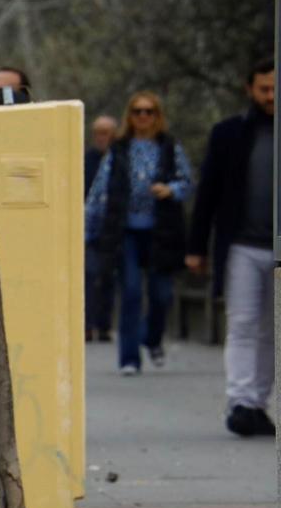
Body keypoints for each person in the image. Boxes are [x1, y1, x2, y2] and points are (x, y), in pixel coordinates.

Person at [187, 58, 276, 437]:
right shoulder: (229, 134)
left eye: (276, 89)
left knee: (271, 329)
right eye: (264, 89)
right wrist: (196, 246)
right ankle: (240, 402)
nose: (271, 96)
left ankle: (257, 404)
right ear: (250, 90)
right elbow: (207, 191)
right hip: (242, 245)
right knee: (242, 324)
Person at [85, 91, 193, 376]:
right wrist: (87, 229)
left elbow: (187, 181)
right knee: (131, 291)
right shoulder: (119, 149)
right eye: (137, 111)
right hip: (126, 232)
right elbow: (99, 190)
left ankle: (153, 339)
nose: (143, 116)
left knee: (161, 294)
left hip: (161, 231)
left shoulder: (169, 147)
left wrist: (171, 189)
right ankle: (129, 358)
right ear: (129, 116)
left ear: (157, 115)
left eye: (149, 111)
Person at [84, 115, 120, 342]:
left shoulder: (121, 159)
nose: (100, 137)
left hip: (114, 231)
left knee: (109, 278)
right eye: (97, 132)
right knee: (89, 274)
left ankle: (104, 325)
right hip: (91, 231)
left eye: (105, 132)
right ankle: (87, 325)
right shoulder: (86, 160)